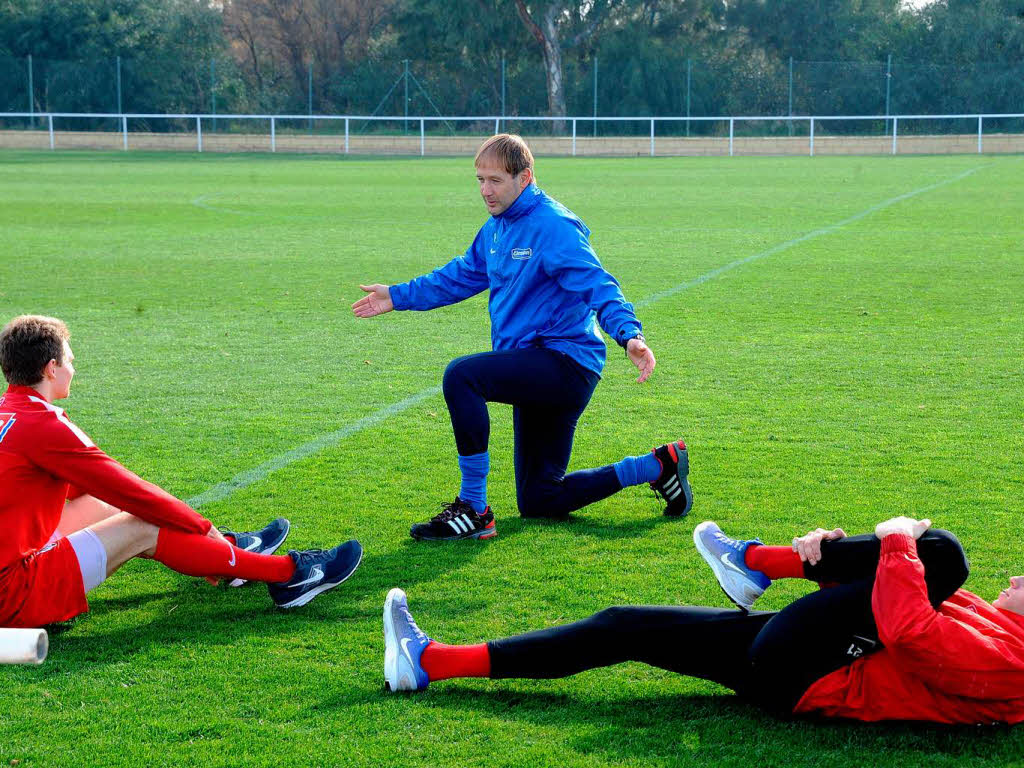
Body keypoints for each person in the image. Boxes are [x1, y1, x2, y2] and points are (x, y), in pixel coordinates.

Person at [352, 133, 691, 541]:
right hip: (535, 368)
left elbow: (599, 284)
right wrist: (397, 295)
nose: (484, 190)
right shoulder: (496, 229)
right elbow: (460, 275)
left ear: (525, 177)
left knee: (462, 376)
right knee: (539, 498)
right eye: (479, 180)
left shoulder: (554, 226)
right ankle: (658, 465)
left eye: (494, 180)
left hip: (565, 363)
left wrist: (628, 335)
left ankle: (474, 508)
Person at [383, 515, 1024, 724]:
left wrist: (893, 537)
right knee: (622, 624)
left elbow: (907, 627)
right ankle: (430, 663)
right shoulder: (1002, 629)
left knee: (940, 552)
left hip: (809, 673)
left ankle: (756, 564)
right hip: (801, 658)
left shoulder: (1016, 667)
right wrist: (836, 553)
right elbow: (882, 605)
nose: (1019, 578)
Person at [0, 315, 363, 628]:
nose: (74, 369)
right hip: (13, 594)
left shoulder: (10, 412)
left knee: (103, 505)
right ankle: (289, 575)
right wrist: (204, 527)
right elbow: (133, 492)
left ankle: (234, 555)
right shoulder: (44, 425)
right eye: (70, 360)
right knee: (140, 522)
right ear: (51, 368)